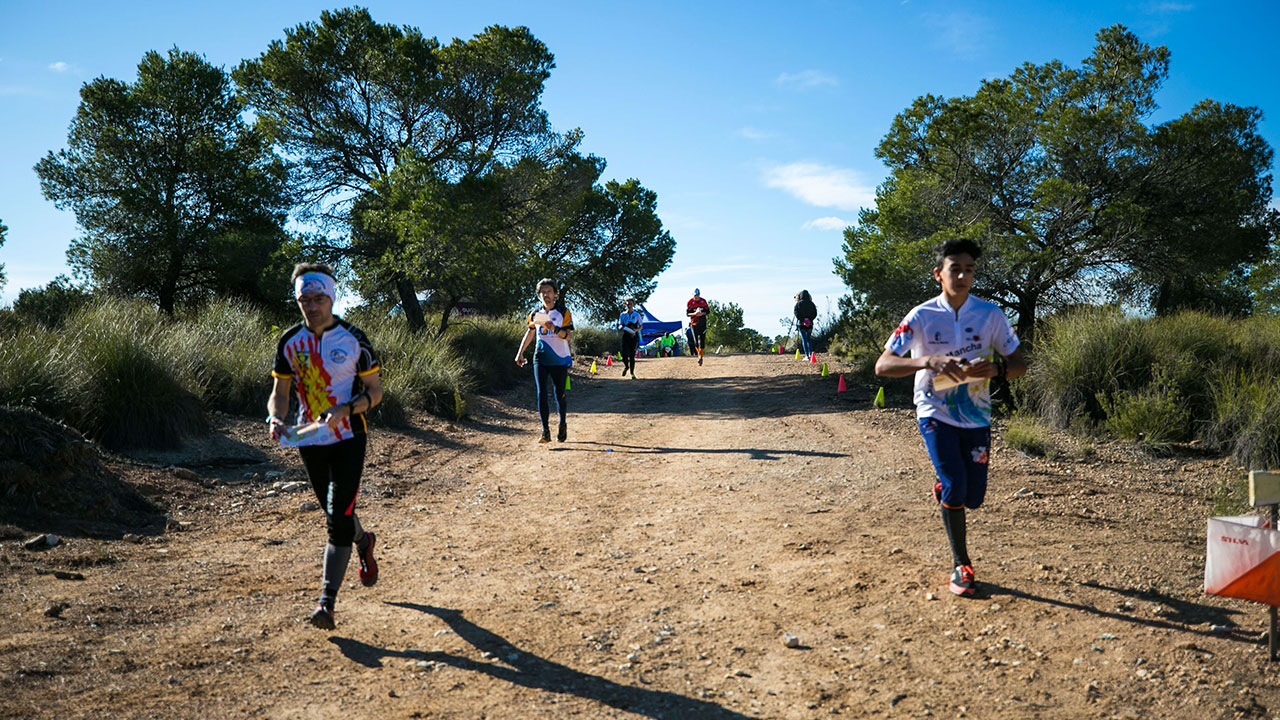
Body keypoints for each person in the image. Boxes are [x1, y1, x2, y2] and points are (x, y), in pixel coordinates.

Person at [874, 239, 1026, 597]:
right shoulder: (922, 316)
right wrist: (926, 361)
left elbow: (1020, 365)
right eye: (954, 268)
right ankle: (962, 565)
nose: (962, 276)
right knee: (957, 486)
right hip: (934, 413)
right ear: (938, 274)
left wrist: (999, 369)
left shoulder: (990, 315)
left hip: (976, 417)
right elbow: (883, 365)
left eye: (969, 269)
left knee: (972, 498)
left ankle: (945, 487)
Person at [267, 263, 383, 630]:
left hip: (350, 436)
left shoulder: (354, 339)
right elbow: (280, 393)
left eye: (318, 298)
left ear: (331, 297)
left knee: (336, 521)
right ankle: (364, 543)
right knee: (337, 513)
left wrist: (346, 408)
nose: (311, 306)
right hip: (310, 439)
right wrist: (275, 418)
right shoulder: (289, 342)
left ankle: (326, 604)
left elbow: (376, 392)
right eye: (304, 299)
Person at [515, 278, 574, 443]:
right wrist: (520, 353)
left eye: (549, 291)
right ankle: (545, 431)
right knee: (541, 393)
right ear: (539, 295)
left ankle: (562, 424)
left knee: (559, 394)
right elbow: (530, 333)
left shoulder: (563, 312)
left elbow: (567, 336)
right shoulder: (535, 314)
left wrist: (553, 328)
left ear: (555, 294)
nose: (546, 295)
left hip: (559, 359)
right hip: (539, 358)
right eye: (542, 292)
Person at [618, 297, 643, 378]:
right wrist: (621, 327)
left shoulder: (636, 315)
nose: (629, 305)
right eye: (628, 304)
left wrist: (636, 330)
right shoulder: (622, 315)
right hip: (626, 335)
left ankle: (632, 373)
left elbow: (641, 325)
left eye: (631, 304)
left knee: (632, 355)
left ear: (633, 305)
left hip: (633, 336)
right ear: (626, 305)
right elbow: (620, 324)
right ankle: (626, 366)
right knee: (624, 354)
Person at [686, 288, 710, 366]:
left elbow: (708, 311)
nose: (697, 297)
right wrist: (695, 313)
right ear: (693, 295)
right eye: (695, 296)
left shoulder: (703, 301)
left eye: (698, 295)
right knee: (696, 341)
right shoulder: (690, 302)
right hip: (694, 324)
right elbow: (688, 314)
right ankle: (699, 355)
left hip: (702, 323)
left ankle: (700, 356)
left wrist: (702, 313)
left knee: (702, 340)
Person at [794, 290, 818, 358]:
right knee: (808, 339)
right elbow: (815, 313)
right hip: (810, 324)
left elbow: (796, 313)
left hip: (801, 324)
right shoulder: (811, 304)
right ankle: (811, 354)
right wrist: (809, 319)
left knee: (804, 339)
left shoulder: (798, 304)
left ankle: (807, 355)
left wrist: (802, 319)